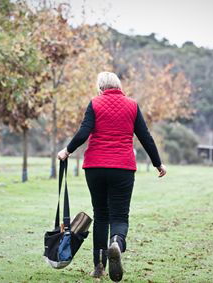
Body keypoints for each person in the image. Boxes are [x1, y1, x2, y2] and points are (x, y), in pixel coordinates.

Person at [57, 71, 166, 282]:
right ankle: (116, 242)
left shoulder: (95, 103)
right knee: (120, 215)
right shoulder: (132, 105)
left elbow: (83, 132)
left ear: (100, 87)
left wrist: (67, 151)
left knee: (101, 215)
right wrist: (157, 163)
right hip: (123, 168)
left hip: (95, 167)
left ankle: (99, 267)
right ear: (118, 86)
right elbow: (145, 137)